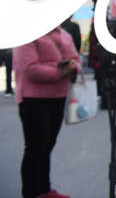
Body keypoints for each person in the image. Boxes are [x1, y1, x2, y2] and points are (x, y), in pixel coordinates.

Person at [14, 25, 81, 198]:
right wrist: (61, 71)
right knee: (35, 148)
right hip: (33, 99)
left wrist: (74, 67)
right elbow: (30, 69)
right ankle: (30, 193)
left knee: (47, 147)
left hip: (58, 97)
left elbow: (76, 59)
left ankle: (44, 190)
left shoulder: (64, 34)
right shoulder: (26, 33)